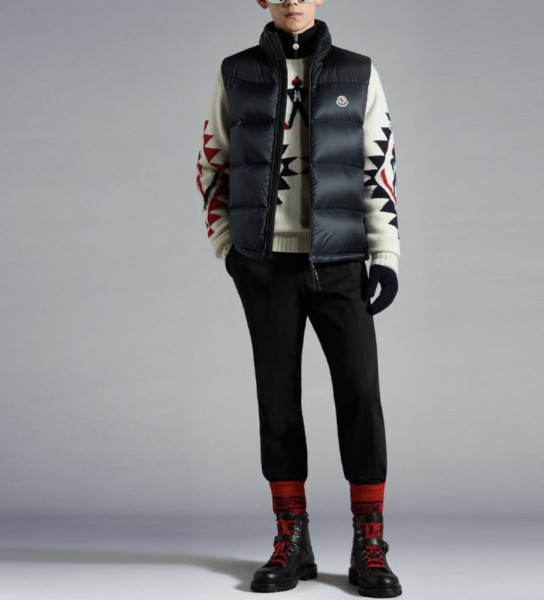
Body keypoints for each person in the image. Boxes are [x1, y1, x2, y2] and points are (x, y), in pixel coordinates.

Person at [196, 0, 402, 596]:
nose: (292, 0)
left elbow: (380, 163)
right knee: (277, 396)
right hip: (265, 265)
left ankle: (370, 542)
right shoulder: (236, 71)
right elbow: (212, 161)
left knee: (360, 393)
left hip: (340, 261)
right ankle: (292, 539)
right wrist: (228, 247)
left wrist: (385, 253)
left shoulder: (358, 71)